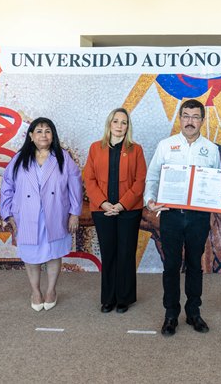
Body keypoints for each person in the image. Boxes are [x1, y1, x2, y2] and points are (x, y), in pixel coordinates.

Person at [144, 99, 221, 336]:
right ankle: (171, 314)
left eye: (195, 117)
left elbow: (217, 182)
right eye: (186, 116)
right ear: (180, 118)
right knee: (171, 265)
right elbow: (152, 177)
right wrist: (150, 200)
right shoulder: (165, 145)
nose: (190, 121)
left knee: (194, 264)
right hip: (170, 216)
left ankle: (193, 312)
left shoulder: (211, 149)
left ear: (202, 120)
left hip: (198, 217)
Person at [0, 117, 82, 312]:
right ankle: (35, 291)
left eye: (47, 131)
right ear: (31, 135)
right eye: (39, 131)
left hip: (55, 213)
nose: (43, 135)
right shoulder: (19, 158)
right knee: (31, 255)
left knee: (53, 253)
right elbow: (7, 185)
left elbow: (75, 185)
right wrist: (8, 213)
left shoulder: (62, 157)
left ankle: (51, 290)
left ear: (53, 135)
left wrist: (74, 213)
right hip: (27, 214)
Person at [83, 108, 146, 314]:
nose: (119, 126)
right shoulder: (95, 148)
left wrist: (121, 205)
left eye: (124, 122)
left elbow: (140, 181)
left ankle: (124, 298)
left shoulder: (136, 150)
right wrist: (103, 203)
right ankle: (108, 298)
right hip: (102, 210)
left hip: (129, 210)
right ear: (109, 124)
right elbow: (89, 179)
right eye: (116, 121)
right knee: (108, 253)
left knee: (126, 253)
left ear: (128, 126)